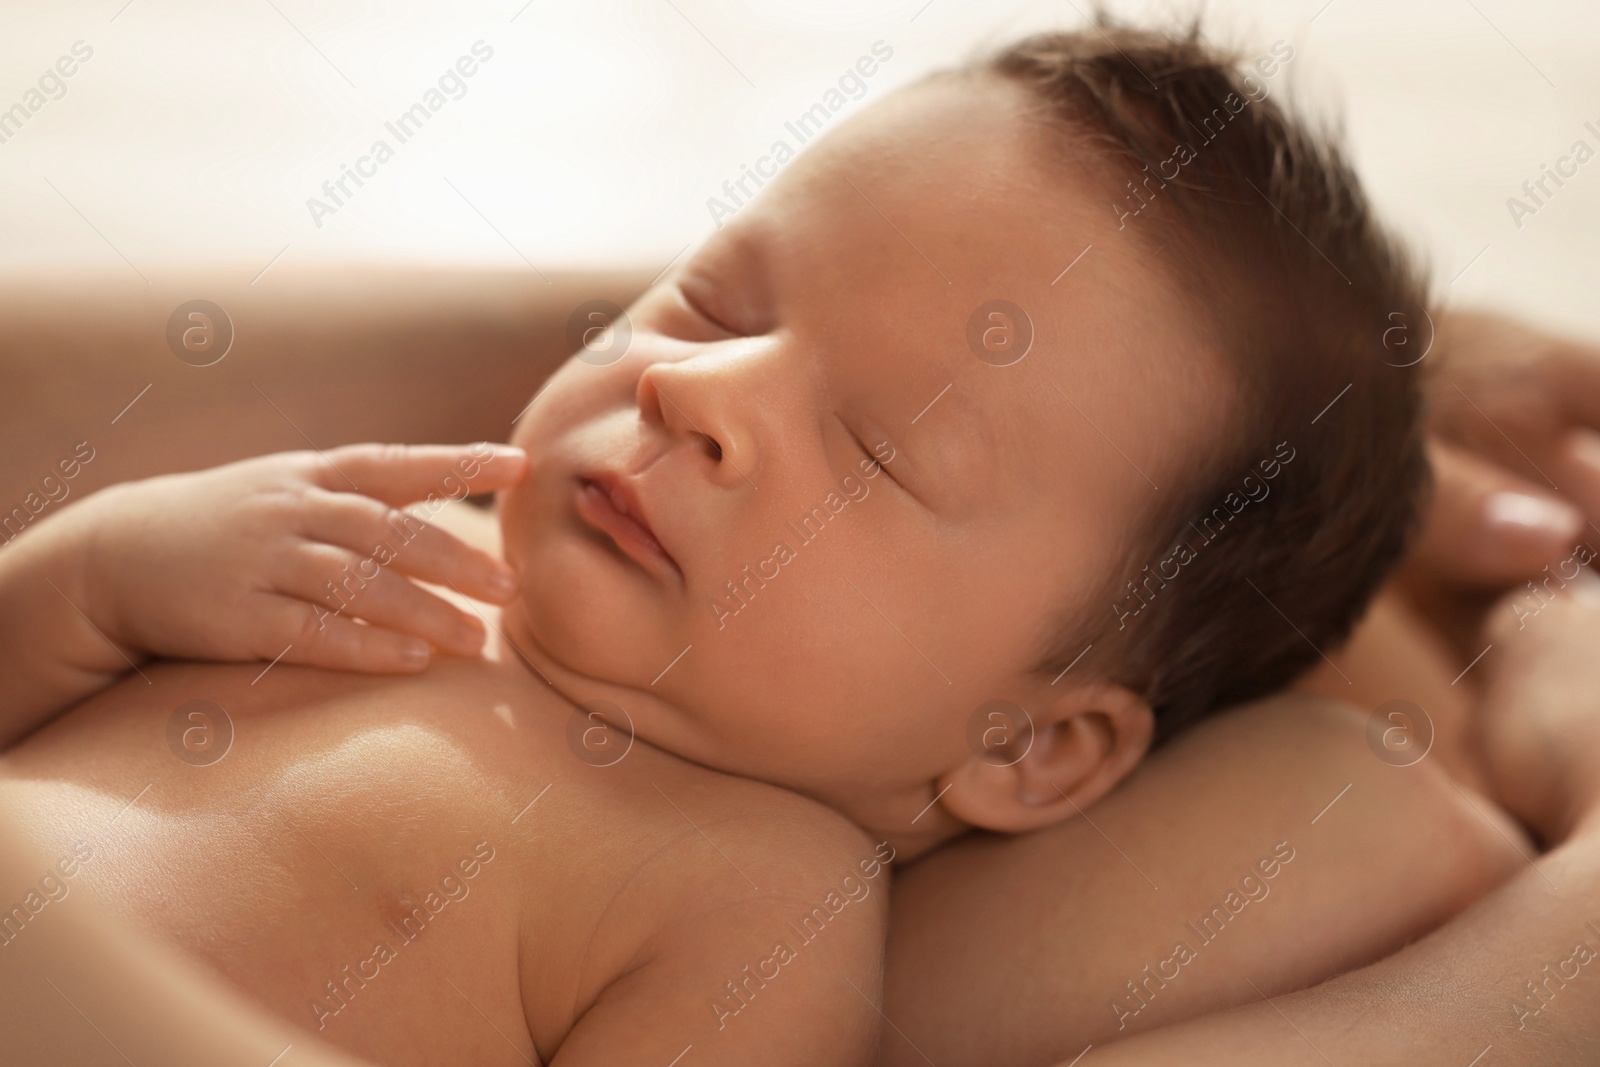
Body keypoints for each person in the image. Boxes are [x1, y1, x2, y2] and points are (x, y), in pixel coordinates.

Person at [0, 18, 1594, 1067]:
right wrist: (85, 580)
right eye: (713, 300)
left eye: (882, 446)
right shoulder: (372, 532)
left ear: (1031, 746)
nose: (692, 384)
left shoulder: (754, 898)